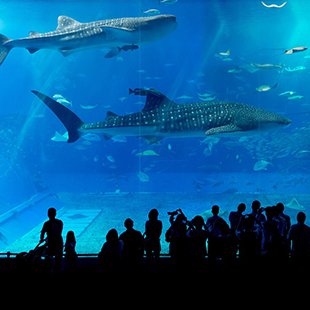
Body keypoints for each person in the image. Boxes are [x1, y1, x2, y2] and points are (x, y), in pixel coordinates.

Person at [40, 207, 64, 272]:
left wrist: (42, 239)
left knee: (49, 258)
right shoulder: (60, 222)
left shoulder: (46, 223)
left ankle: (50, 270)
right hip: (59, 242)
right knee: (58, 259)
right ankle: (58, 271)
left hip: (51, 243)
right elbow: (58, 232)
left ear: (48, 214)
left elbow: (42, 233)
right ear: (55, 214)